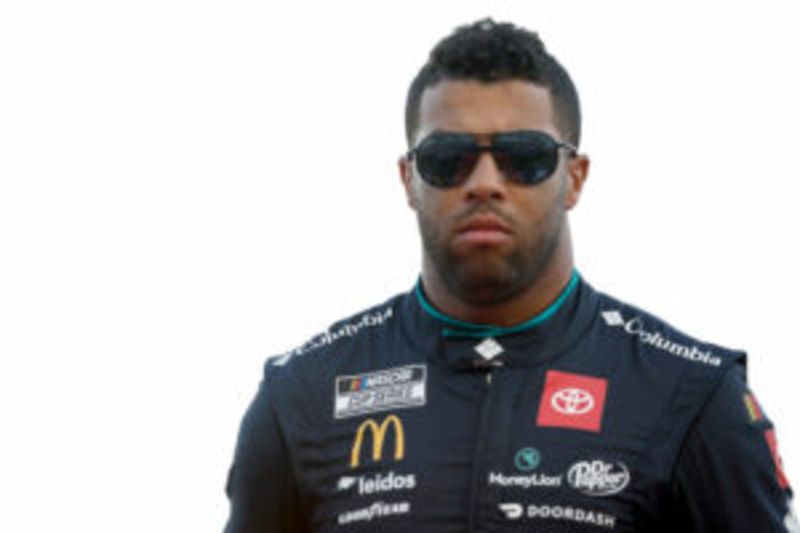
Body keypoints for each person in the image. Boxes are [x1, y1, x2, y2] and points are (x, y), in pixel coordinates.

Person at [223, 18, 797, 532]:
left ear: (574, 177)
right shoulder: (302, 395)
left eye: (523, 157)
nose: (484, 183)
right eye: (448, 159)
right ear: (408, 180)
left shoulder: (690, 395)